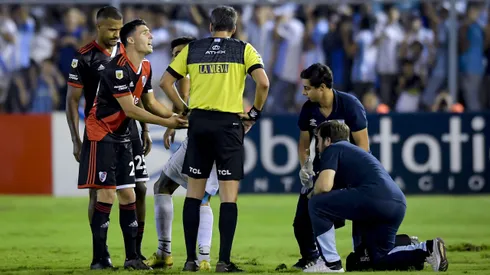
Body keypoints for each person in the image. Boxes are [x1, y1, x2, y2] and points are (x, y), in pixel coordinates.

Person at [160, 6, 270, 272]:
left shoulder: (193, 49)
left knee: (194, 195)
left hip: (198, 123)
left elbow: (164, 82)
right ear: (234, 28)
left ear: (210, 27)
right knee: (228, 197)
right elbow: (263, 83)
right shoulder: (244, 49)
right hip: (229, 125)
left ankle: (189, 260)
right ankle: (223, 261)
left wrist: (183, 107)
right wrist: (253, 112)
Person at [78, 19, 186, 270]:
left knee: (128, 193)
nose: (151, 36)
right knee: (105, 193)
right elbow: (130, 109)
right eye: (145, 33)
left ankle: (132, 258)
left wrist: (177, 115)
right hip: (101, 134)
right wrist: (167, 120)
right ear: (130, 40)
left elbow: (150, 104)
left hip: (122, 137)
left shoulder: (145, 67)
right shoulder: (116, 69)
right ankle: (99, 259)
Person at [65, 6, 151, 264]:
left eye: (119, 28)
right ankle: (100, 254)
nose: (116, 34)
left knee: (140, 188)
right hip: (101, 130)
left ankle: (134, 252)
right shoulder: (84, 57)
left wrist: (145, 129)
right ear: (98, 27)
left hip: (130, 129)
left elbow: (141, 92)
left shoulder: (129, 51)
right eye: (111, 29)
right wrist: (76, 139)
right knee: (100, 192)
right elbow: (72, 101)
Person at [304, 120, 448, 272]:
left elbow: (324, 186)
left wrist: (311, 191)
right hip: (396, 204)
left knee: (317, 203)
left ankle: (331, 264)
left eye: (318, 140)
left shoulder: (333, 148)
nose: (317, 146)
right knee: (373, 259)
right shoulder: (354, 152)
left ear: (328, 140)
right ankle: (426, 248)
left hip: (373, 200)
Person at [144, 36, 219, 271]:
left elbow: (183, 99)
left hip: (200, 139)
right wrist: (171, 125)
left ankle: (165, 252)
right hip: (222, 137)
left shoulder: (187, 72)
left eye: (180, 53)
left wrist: (178, 116)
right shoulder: (211, 70)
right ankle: (204, 257)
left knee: (165, 187)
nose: (176, 58)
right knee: (201, 195)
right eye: (174, 54)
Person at [293, 63, 370, 270]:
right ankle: (311, 257)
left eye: (308, 88)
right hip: (322, 170)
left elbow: (363, 145)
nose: (304, 92)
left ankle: (364, 255)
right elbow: (303, 144)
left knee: (359, 215)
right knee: (301, 221)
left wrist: (353, 175)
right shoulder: (308, 109)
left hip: (348, 171)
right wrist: (305, 167)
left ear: (323, 87)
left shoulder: (349, 104)